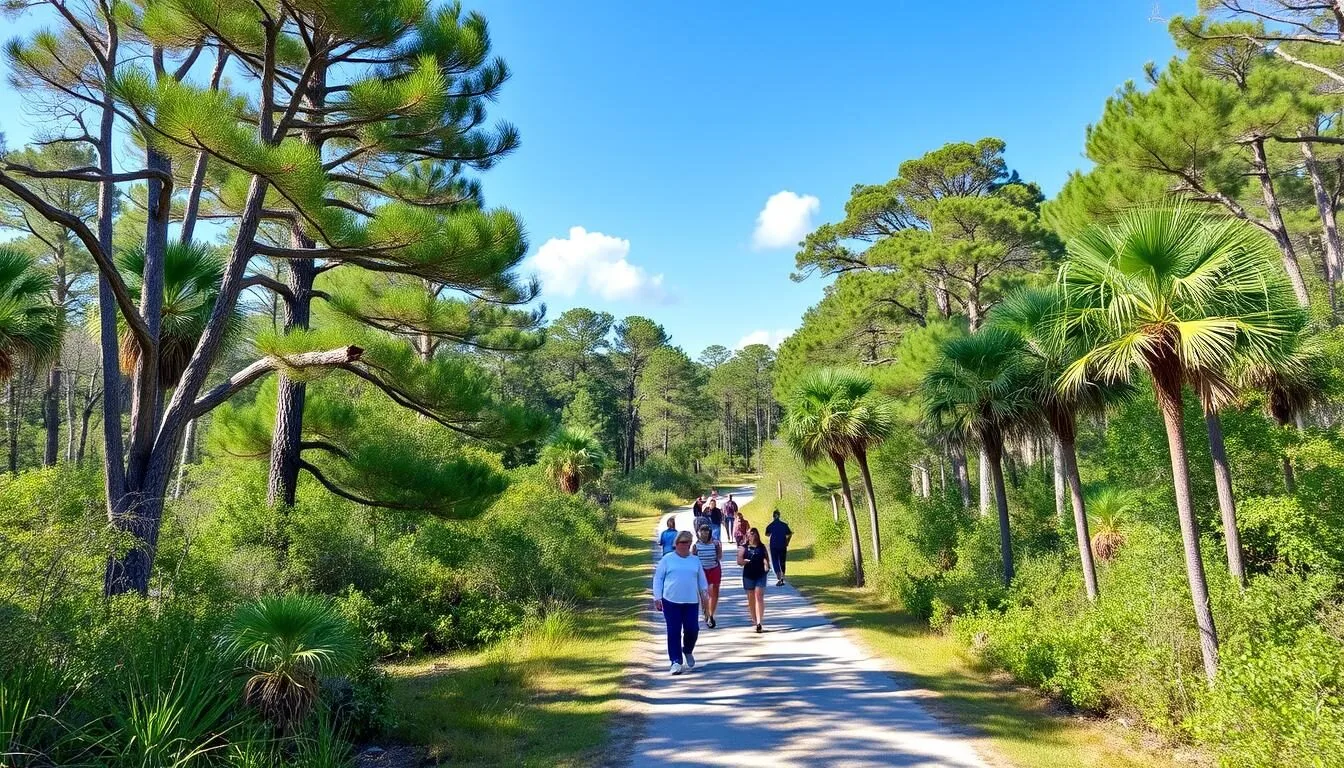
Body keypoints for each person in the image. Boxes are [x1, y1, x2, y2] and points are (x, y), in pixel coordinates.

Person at [653, 530, 708, 675]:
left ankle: (688, 650)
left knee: (692, 629)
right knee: (674, 631)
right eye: (683, 542)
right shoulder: (667, 559)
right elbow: (658, 579)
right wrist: (657, 597)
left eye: (688, 543)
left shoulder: (695, 560)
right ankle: (675, 661)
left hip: (691, 601)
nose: (686, 545)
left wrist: (705, 595)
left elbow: (702, 581)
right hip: (671, 601)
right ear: (676, 544)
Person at [737, 528, 770, 634]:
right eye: (750, 534)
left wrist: (766, 565)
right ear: (747, 536)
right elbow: (739, 561)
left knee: (759, 596)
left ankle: (760, 622)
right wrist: (744, 561)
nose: (752, 535)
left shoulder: (761, 547)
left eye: (753, 533)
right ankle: (755, 621)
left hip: (760, 574)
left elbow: (765, 558)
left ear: (757, 534)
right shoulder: (743, 547)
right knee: (751, 598)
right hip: (748, 575)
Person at [692, 525, 723, 628]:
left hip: (714, 569)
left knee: (714, 592)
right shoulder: (696, 546)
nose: (704, 534)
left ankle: (711, 614)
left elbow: (719, 557)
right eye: (702, 532)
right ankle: (706, 612)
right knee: (705, 593)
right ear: (698, 534)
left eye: (706, 532)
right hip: (702, 571)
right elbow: (694, 560)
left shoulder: (715, 544)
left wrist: (719, 549)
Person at [765, 509, 793, 586]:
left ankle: (779, 577)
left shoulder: (770, 525)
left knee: (775, 561)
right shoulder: (784, 525)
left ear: (773, 516)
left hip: (773, 546)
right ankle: (782, 578)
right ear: (779, 516)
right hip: (782, 545)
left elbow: (767, 534)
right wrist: (787, 541)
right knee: (782, 561)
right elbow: (790, 534)